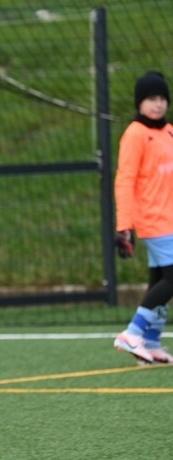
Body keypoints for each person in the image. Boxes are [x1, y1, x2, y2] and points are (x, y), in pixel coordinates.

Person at [113, 71, 173, 365]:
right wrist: (123, 226)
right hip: (153, 220)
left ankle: (150, 343)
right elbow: (125, 180)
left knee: (159, 281)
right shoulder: (135, 134)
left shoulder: (169, 132)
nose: (158, 104)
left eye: (162, 98)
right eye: (151, 98)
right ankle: (133, 333)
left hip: (170, 219)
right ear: (139, 103)